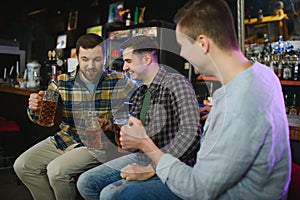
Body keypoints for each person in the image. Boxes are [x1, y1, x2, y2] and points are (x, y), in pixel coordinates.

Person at [118, 0, 292, 199]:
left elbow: (197, 190)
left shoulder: (237, 106)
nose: (182, 54)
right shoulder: (262, 73)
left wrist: (145, 143)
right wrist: (217, 116)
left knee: (119, 196)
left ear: (202, 43)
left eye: (182, 46)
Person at [13, 33, 137, 200]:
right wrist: (34, 108)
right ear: (77, 57)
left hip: (97, 143)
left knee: (57, 171)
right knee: (23, 165)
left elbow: (139, 109)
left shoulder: (119, 81)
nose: (90, 65)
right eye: (85, 59)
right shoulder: (60, 82)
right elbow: (42, 119)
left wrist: (109, 123)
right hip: (66, 138)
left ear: (105, 58)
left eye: (97, 59)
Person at [76, 35, 201, 200]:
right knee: (86, 182)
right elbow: (135, 135)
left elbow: (191, 134)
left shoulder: (176, 82)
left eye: (128, 61)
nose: (125, 67)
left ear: (147, 59)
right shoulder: (140, 92)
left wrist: (152, 168)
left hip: (174, 162)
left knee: (110, 194)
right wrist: (111, 126)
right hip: (142, 156)